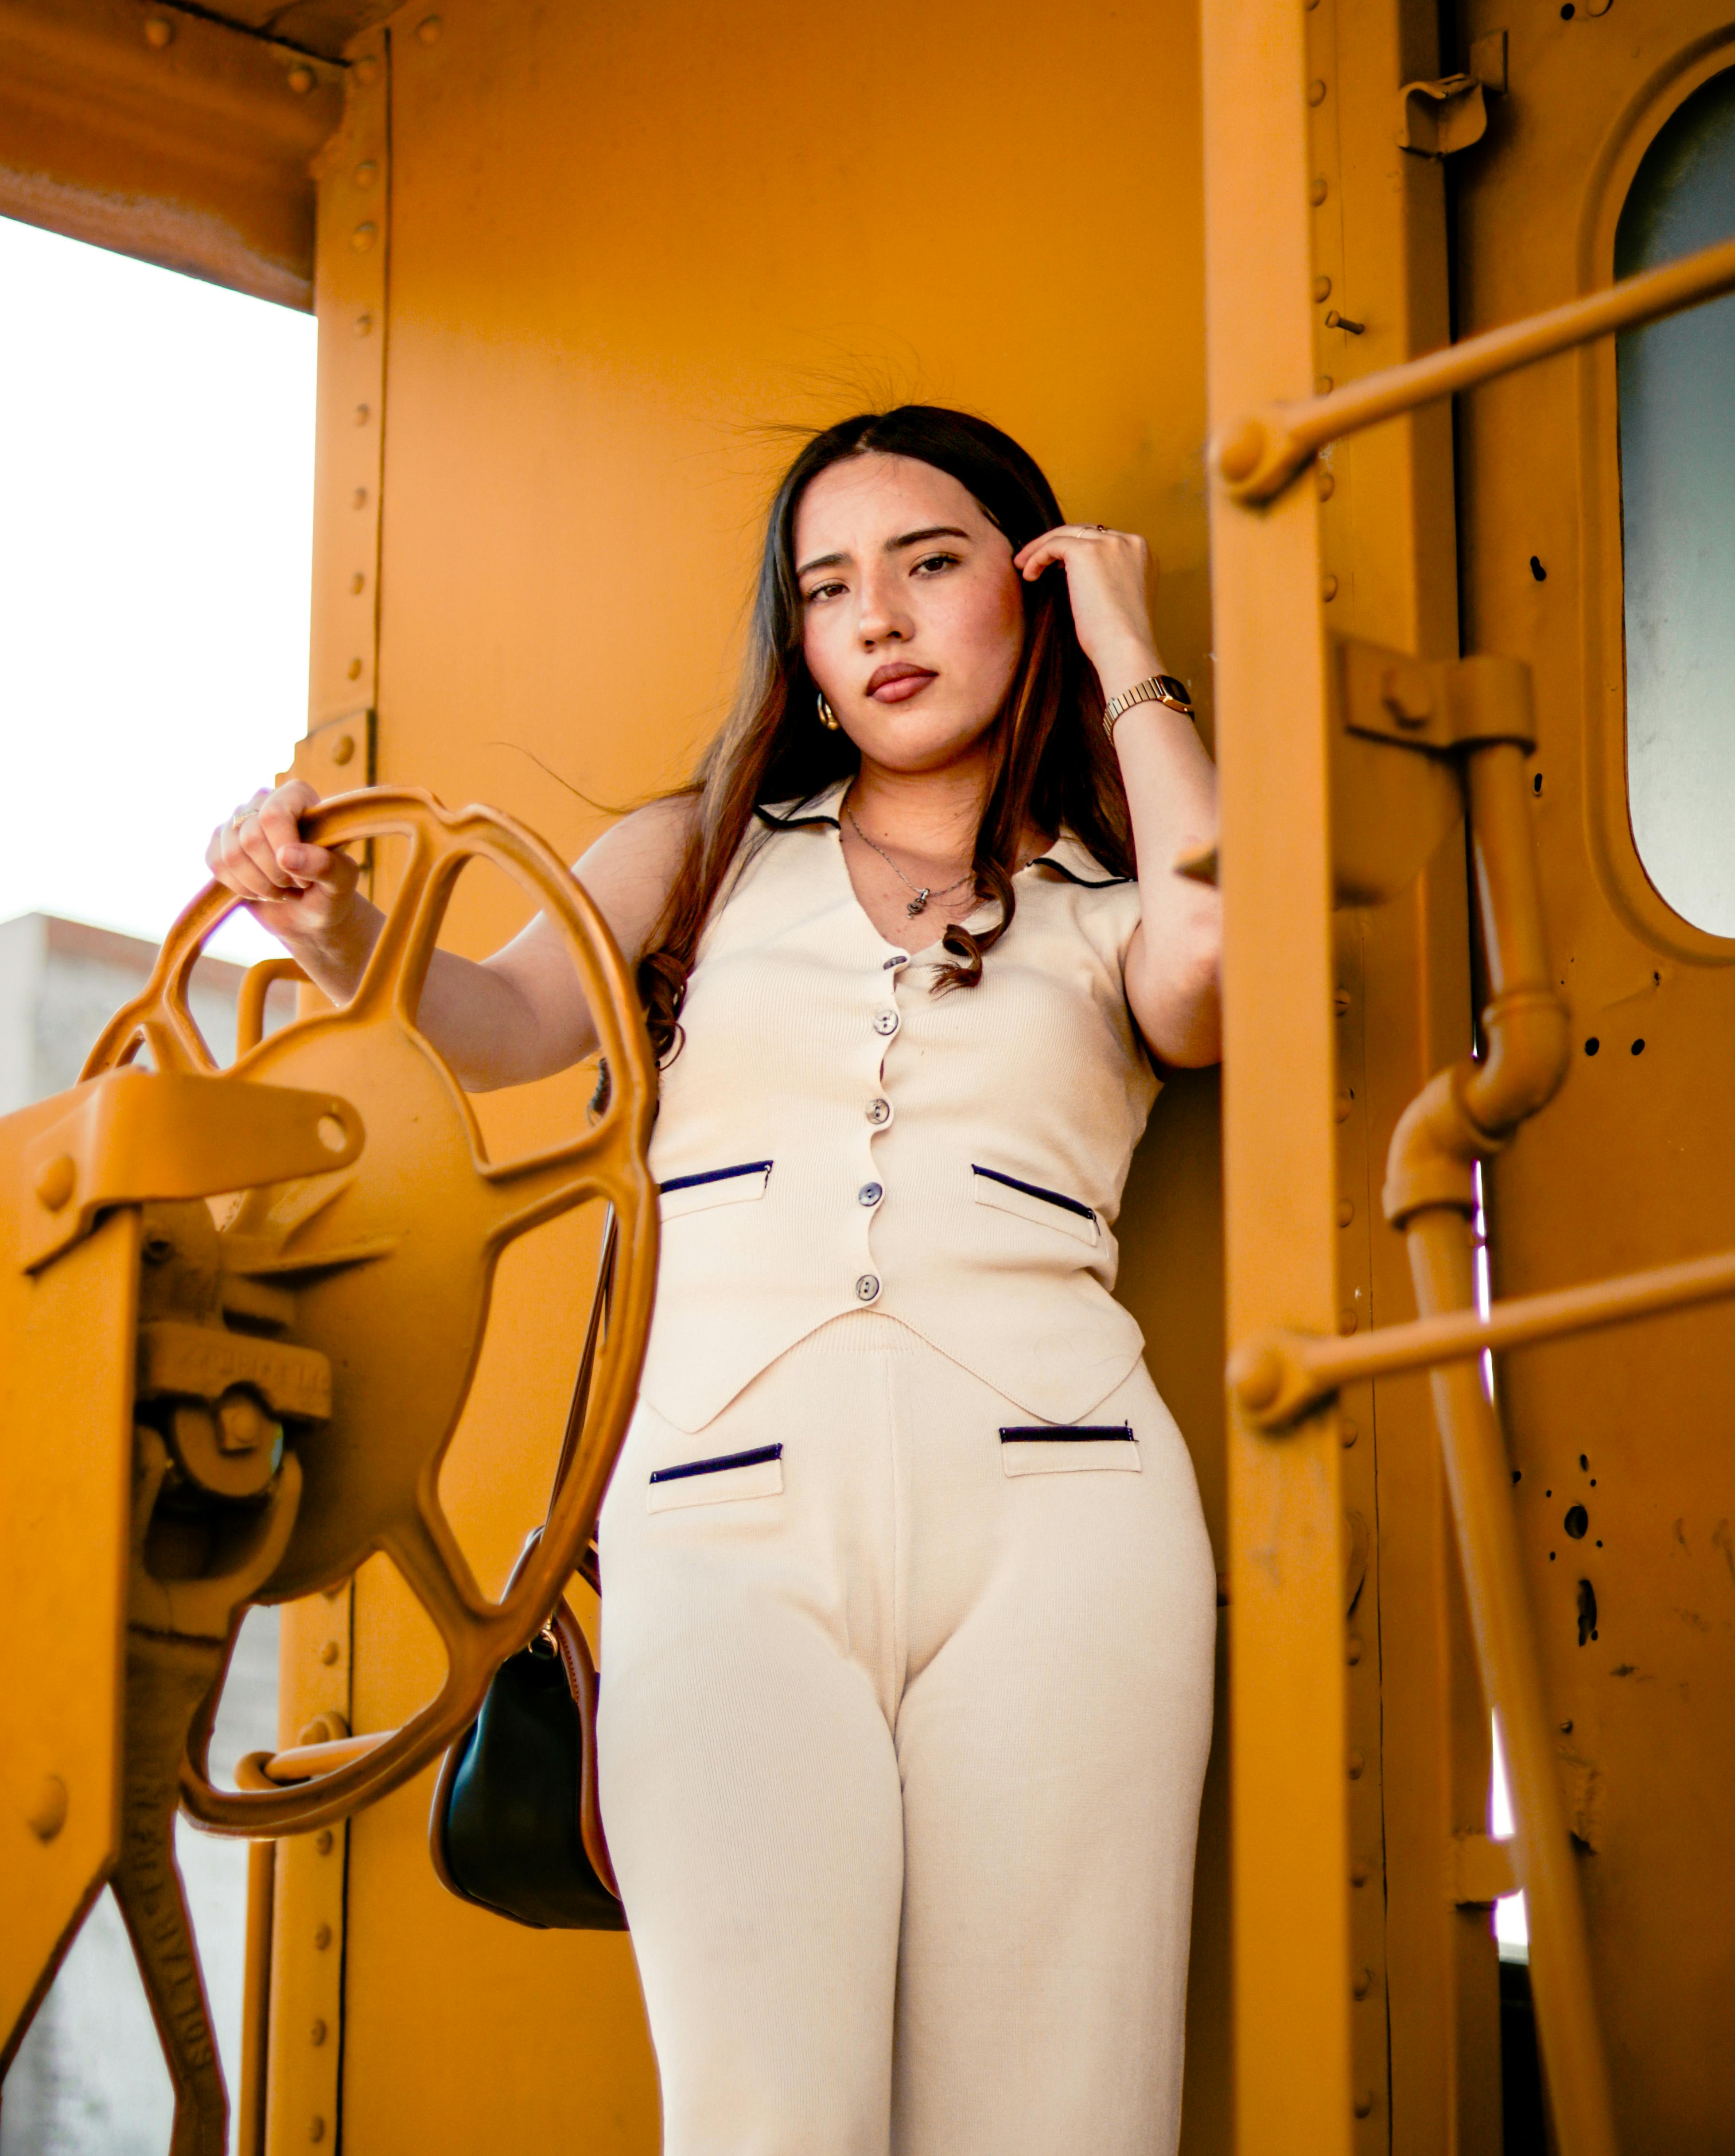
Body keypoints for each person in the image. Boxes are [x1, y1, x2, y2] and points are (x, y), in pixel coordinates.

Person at [207, 405, 1221, 2156]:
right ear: (800, 645)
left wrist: (1129, 651)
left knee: (1060, 2119)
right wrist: (332, 929)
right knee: (764, 2118)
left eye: (931, 564)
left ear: (1033, 589)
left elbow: (1224, 965)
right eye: (827, 589)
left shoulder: (1110, 900)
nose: (878, 618)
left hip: (1070, 1524)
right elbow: (499, 1025)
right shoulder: (702, 853)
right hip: (718, 1527)